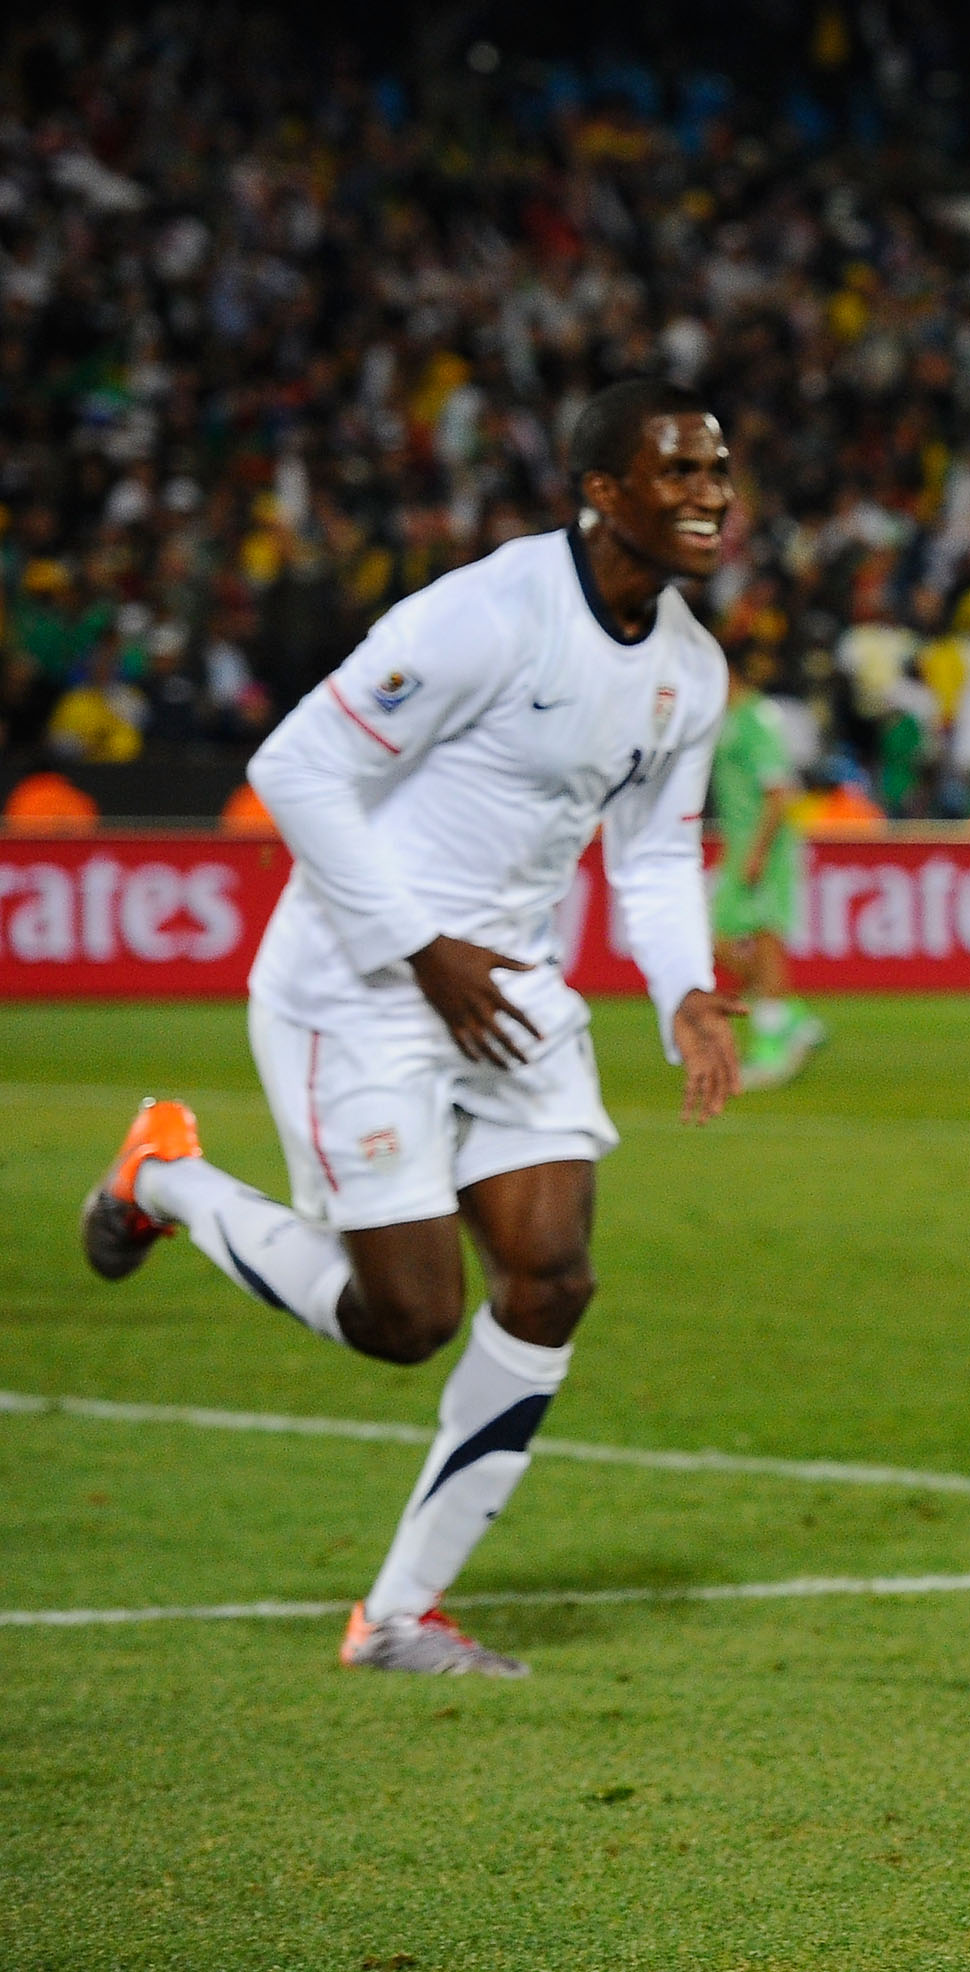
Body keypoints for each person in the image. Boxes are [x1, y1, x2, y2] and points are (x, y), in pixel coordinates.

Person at [78, 378, 745, 1676]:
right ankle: (164, 1180)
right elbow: (293, 768)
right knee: (408, 1318)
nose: (713, 496)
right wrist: (419, 946)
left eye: (721, 471)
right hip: (360, 980)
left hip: (510, 988)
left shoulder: (691, 672)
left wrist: (685, 989)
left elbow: (655, 854)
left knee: (552, 1277)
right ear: (604, 491)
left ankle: (397, 1615)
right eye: (680, 473)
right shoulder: (488, 613)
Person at [712, 646, 826, 1088]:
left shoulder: (757, 719)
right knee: (720, 941)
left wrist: (758, 852)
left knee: (763, 940)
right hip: (742, 846)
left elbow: (778, 792)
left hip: (764, 847)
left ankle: (772, 1044)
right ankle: (789, 1016)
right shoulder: (732, 721)